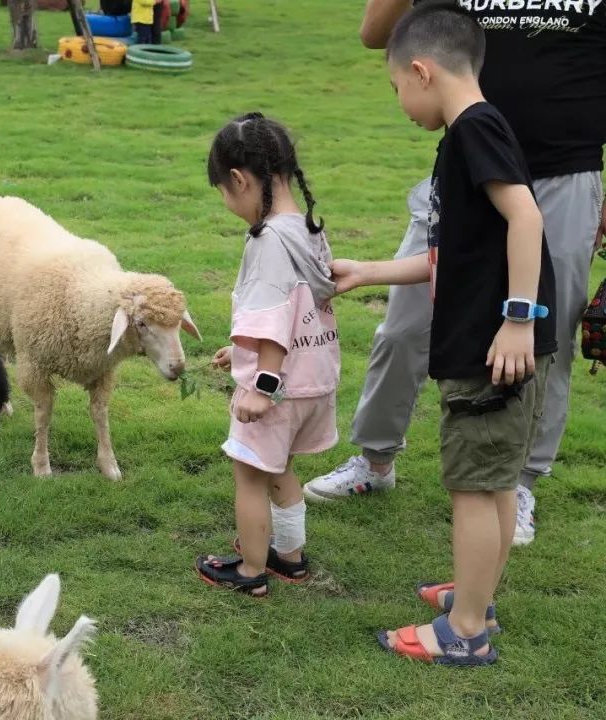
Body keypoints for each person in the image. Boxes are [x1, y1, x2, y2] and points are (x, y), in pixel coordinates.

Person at [305, 0, 606, 547]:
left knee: (547, 338)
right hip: (467, 167)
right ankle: (375, 459)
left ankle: (519, 484)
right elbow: (377, 34)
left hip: (566, 172)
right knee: (401, 327)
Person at [336, 4, 556, 663]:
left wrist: (518, 320)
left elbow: (527, 218)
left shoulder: (474, 131)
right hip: (493, 345)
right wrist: (370, 271)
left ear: (423, 71)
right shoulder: (472, 134)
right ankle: (475, 594)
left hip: (491, 350)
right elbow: (453, 251)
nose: (400, 101)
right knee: (489, 482)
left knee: (473, 485)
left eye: (397, 86)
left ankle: (464, 632)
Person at [194, 113, 338, 598]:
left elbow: (274, 317)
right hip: (314, 377)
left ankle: (252, 570)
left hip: (279, 385)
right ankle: (290, 557)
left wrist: (263, 384)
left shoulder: (267, 240)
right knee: (280, 469)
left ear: (239, 180)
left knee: (250, 474)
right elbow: (298, 307)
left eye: (224, 192)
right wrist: (239, 349)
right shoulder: (308, 228)